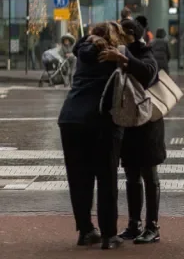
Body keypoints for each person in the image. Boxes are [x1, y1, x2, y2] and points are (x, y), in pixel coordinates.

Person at [57, 22, 126, 250]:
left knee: (79, 179)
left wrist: (87, 37)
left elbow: (78, 46)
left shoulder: (81, 54)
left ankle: (85, 230)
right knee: (106, 180)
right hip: (99, 121)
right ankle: (109, 235)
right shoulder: (111, 56)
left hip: (70, 118)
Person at [101, 19, 165, 245]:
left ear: (130, 35)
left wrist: (124, 59)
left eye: (122, 34)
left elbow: (149, 73)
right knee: (131, 176)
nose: (117, 37)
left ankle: (152, 226)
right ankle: (134, 224)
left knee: (149, 175)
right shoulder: (117, 52)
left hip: (148, 125)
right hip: (128, 125)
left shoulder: (144, 52)